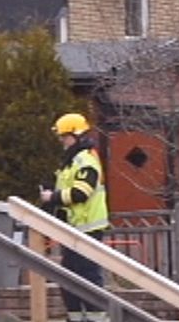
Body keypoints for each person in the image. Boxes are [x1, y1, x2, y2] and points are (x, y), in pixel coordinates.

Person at [40, 113, 109, 322]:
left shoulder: (86, 160)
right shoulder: (71, 162)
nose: (61, 140)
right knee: (69, 277)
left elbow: (81, 193)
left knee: (87, 276)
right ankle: (77, 317)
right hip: (74, 229)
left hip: (87, 228)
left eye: (64, 136)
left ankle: (97, 318)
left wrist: (53, 196)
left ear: (75, 135)